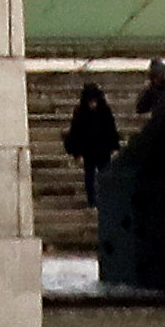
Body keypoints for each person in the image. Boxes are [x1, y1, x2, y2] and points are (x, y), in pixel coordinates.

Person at [61, 76, 121, 220]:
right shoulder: (80, 113)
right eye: (90, 101)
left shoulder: (104, 111)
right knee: (90, 176)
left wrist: (114, 147)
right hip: (88, 151)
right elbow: (75, 133)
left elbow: (111, 130)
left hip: (103, 150)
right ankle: (92, 200)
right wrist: (77, 153)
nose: (92, 104)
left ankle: (105, 200)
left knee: (105, 176)